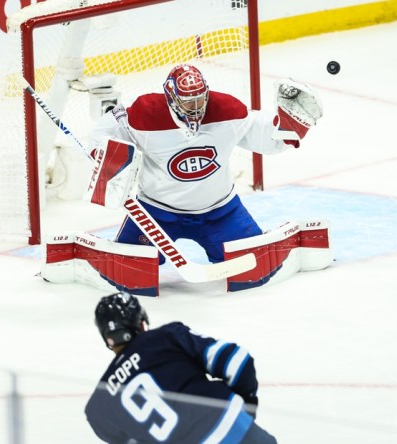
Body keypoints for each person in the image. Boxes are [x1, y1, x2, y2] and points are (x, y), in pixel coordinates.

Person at [87, 63, 323, 265]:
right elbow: (103, 131)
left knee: (255, 265)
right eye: (190, 102)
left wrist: (292, 123)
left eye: (201, 98)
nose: (198, 106)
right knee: (128, 270)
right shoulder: (144, 114)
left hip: (220, 211)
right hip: (156, 213)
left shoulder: (228, 111)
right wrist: (105, 159)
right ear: (172, 98)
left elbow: (268, 138)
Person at [85, 292, 277, 443]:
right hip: (236, 432)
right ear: (142, 323)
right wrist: (246, 409)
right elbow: (237, 361)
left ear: (107, 338)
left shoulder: (97, 408)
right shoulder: (165, 337)